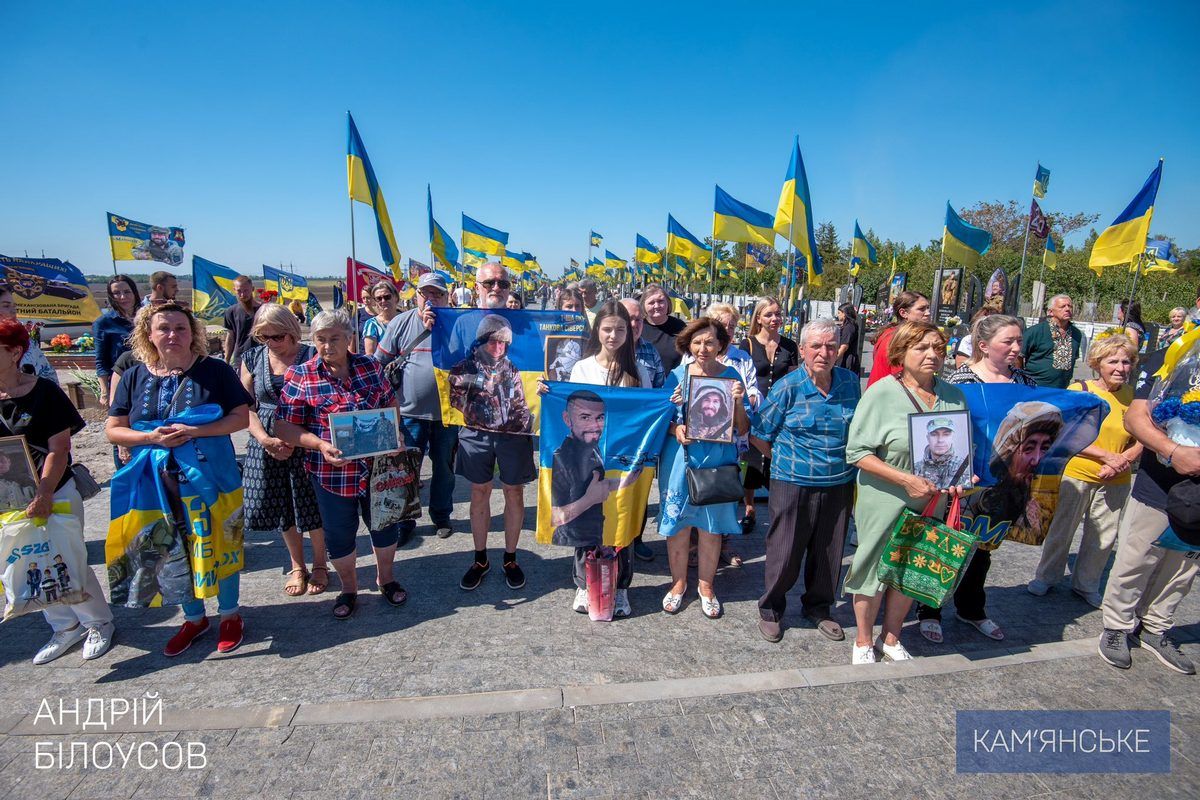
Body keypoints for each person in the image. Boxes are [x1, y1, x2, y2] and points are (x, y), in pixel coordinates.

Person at [106, 302, 251, 656]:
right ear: (148, 334)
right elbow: (113, 429)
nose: (172, 335)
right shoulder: (133, 376)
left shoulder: (215, 370)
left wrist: (195, 430)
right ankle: (194, 618)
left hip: (210, 476)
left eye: (180, 328)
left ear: (193, 333)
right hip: (155, 483)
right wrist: (151, 437)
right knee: (171, 547)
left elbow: (240, 418)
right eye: (164, 328)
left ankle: (230, 614)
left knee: (220, 541)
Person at [844, 321, 969, 663]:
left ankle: (891, 636)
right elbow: (857, 453)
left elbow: (959, 449)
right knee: (873, 567)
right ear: (901, 352)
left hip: (931, 500)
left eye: (938, 348)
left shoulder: (953, 396)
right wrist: (904, 479)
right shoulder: (881, 393)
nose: (932, 355)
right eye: (922, 348)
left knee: (912, 567)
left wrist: (960, 478)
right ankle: (863, 640)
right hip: (886, 496)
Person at [274, 310, 407, 620]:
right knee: (339, 535)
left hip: (378, 469)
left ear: (349, 338)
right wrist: (319, 445)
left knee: (385, 527)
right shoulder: (302, 375)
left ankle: (386, 579)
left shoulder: (370, 366)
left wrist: (395, 432)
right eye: (320, 339)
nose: (327, 345)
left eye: (334, 338)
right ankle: (349, 588)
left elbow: (389, 402)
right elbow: (283, 427)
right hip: (332, 474)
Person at [915, 314, 1038, 644]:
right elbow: (943, 425)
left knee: (982, 550)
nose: (1016, 348)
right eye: (1007, 341)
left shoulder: (1024, 381)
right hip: (960, 478)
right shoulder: (961, 380)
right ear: (983, 345)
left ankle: (971, 608)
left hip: (1000, 482)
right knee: (944, 543)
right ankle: (929, 609)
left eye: (1018, 341)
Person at [0, 319, 115, 665]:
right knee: (28, 561)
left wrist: (44, 493)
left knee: (66, 557)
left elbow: (59, 447)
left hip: (54, 490)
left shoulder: (44, 392)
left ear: (15, 352)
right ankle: (65, 627)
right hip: (9, 498)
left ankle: (98, 623)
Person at [751, 319, 859, 643]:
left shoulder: (850, 383)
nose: (824, 353)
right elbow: (759, 434)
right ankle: (771, 610)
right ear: (802, 350)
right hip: (792, 481)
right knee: (785, 551)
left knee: (829, 552)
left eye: (830, 346)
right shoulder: (788, 387)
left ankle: (819, 608)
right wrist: (782, 459)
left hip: (839, 482)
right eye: (816, 346)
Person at [1097, 344, 1198, 674]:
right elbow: (1135, 417)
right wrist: (1173, 452)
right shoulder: (1177, 354)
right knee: (1136, 560)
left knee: (1183, 569)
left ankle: (1156, 626)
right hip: (1160, 483)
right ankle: (1117, 625)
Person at [553, 300, 651, 617]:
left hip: (624, 459)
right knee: (588, 520)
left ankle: (620, 587)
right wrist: (547, 392)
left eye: (620, 329)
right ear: (598, 331)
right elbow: (568, 404)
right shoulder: (583, 368)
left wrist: (669, 402)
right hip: (586, 459)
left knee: (621, 522)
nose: (613, 335)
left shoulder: (639, 371)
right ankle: (585, 583)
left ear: (629, 333)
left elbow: (648, 412)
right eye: (607, 329)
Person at [1030, 334, 1140, 606]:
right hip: (1077, 473)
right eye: (1113, 361)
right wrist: (1106, 456)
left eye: (1126, 362)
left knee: (1103, 536)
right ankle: (1047, 576)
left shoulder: (1133, 397)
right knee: (1062, 529)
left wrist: (1122, 460)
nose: (1120, 368)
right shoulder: (1080, 390)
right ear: (1097, 363)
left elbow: (1142, 437)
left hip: (1116, 478)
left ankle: (1087, 584)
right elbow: (1063, 433)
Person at [658, 317, 749, 619]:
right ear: (688, 345)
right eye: (697, 342)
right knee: (679, 526)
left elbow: (743, 427)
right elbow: (662, 420)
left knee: (711, 527)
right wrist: (676, 428)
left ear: (721, 344)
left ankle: (707, 586)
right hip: (681, 461)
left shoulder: (732, 376)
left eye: (710, 342)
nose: (703, 348)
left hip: (718, 461)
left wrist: (738, 403)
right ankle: (678, 583)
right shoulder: (676, 376)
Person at [453, 264, 533, 593]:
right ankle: (480, 558)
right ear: (477, 286)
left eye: (502, 282)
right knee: (479, 491)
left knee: (514, 491)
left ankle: (510, 558)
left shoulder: (527, 325)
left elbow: (534, 381)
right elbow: (449, 377)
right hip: (476, 431)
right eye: (489, 282)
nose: (496, 287)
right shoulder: (460, 323)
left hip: (513, 433)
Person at [239, 304, 327, 597]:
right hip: (266, 441)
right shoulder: (252, 358)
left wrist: (301, 438)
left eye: (277, 336)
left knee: (311, 503)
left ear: (291, 331)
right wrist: (265, 439)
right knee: (283, 507)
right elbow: (245, 406)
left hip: (307, 436)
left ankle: (320, 563)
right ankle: (297, 566)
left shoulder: (312, 355)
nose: (271, 343)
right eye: (263, 337)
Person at [375, 272, 458, 541]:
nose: (431, 298)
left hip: (447, 414)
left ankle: (441, 516)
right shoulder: (400, 323)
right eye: (425, 293)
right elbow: (378, 363)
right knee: (406, 470)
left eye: (437, 293)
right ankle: (405, 521)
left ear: (446, 297)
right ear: (417, 296)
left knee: (444, 469)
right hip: (409, 413)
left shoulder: (458, 324)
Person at [737, 297, 798, 535]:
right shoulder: (748, 344)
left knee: (777, 458)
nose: (775, 319)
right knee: (751, 459)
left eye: (778, 314)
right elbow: (741, 376)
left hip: (781, 411)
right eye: (769, 314)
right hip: (756, 411)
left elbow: (793, 377)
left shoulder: (789, 346)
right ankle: (749, 508)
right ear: (759, 318)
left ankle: (778, 508)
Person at [447, 314, 532, 433]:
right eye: (492, 342)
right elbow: (454, 397)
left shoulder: (510, 370)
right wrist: (476, 411)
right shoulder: (468, 366)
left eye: (501, 342)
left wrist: (523, 423)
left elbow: (519, 404)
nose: (497, 347)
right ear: (483, 341)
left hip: (507, 437)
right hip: (476, 435)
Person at [93, 274, 140, 407]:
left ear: (134, 293)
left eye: (127, 292)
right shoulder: (104, 323)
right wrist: (105, 392)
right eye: (116, 293)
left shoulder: (148, 317)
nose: (123, 297)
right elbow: (101, 360)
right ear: (111, 296)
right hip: (122, 382)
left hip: (149, 378)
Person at [866, 291, 931, 386]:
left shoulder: (891, 331)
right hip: (889, 392)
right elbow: (904, 378)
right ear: (903, 313)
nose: (928, 313)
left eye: (928, 308)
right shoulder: (900, 338)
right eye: (921, 309)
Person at [1021, 294, 1083, 389]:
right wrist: (1020, 381)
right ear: (1050, 312)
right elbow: (1018, 356)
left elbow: (1073, 359)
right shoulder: (1035, 331)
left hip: (1062, 389)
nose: (1067, 309)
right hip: (1034, 387)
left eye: (1070, 306)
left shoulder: (1076, 333)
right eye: (1062, 306)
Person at [0, 287, 58, 384]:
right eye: (6, 306)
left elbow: (50, 376)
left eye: (14, 306)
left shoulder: (25, 340)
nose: (13, 311)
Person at [640, 284, 687, 374]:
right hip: (644, 380)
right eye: (651, 303)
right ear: (643, 306)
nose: (657, 306)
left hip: (673, 380)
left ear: (668, 303)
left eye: (661, 301)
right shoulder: (638, 326)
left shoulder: (680, 327)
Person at [620, 298, 665, 390]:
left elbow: (660, 388)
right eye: (629, 318)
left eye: (638, 319)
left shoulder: (651, 351)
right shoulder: (607, 350)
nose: (633, 324)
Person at [912, 417, 968, 490]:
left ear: (952, 437)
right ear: (928, 438)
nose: (940, 440)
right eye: (934, 434)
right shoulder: (916, 468)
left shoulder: (965, 467)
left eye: (946, 434)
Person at [222, 276, 261, 370]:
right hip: (240, 360)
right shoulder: (231, 312)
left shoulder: (264, 310)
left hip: (262, 358)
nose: (243, 294)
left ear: (252, 289)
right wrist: (226, 361)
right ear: (234, 290)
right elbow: (230, 337)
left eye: (246, 290)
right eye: (239, 291)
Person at [361, 280, 400, 357]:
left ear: (395, 297)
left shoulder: (407, 320)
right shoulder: (372, 325)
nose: (383, 301)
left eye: (387, 297)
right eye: (379, 298)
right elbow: (370, 356)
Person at [835, 303, 860, 374]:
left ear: (844, 314)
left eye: (839, 313)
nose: (837, 315)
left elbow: (844, 346)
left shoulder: (849, 327)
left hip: (846, 360)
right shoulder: (849, 325)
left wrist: (834, 359)